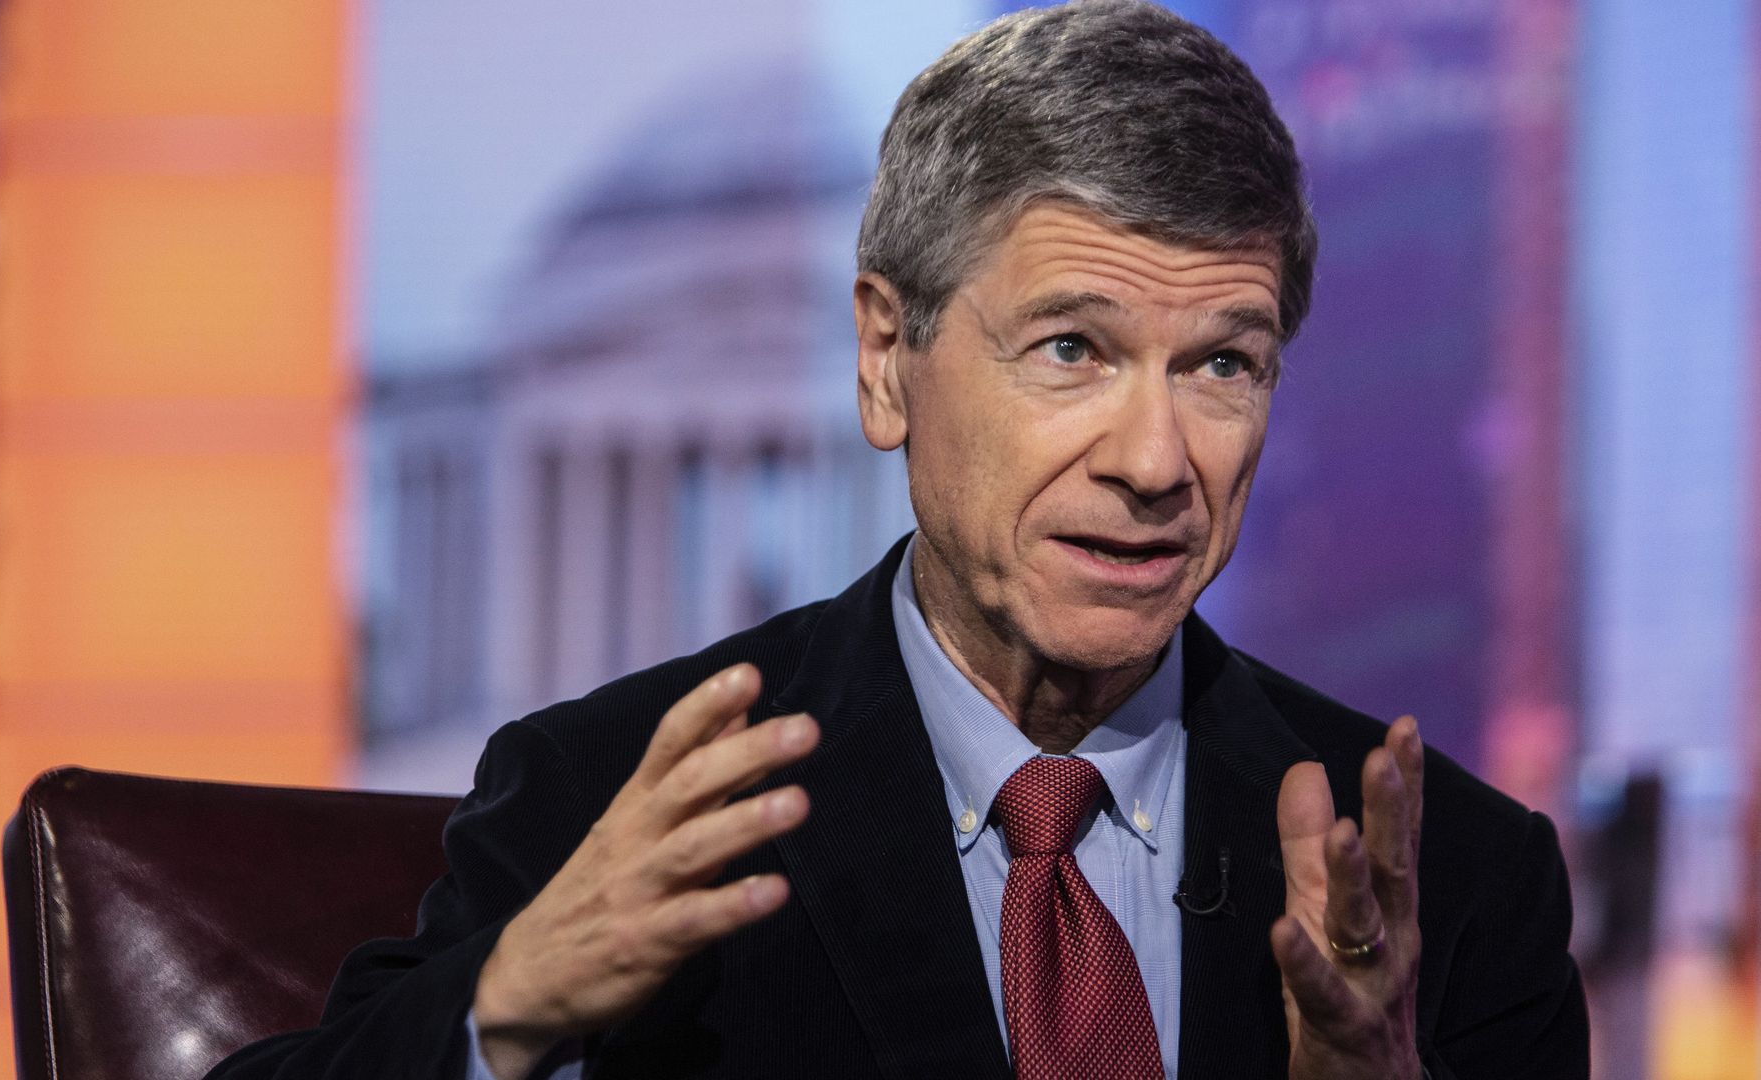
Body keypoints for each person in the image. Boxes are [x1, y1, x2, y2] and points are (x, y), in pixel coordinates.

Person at [209, 2, 1587, 1078]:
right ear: (887, 360)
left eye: (1224, 365)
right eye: (1072, 349)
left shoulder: (1453, 877)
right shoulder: (609, 800)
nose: (1158, 463)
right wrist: (510, 1013)